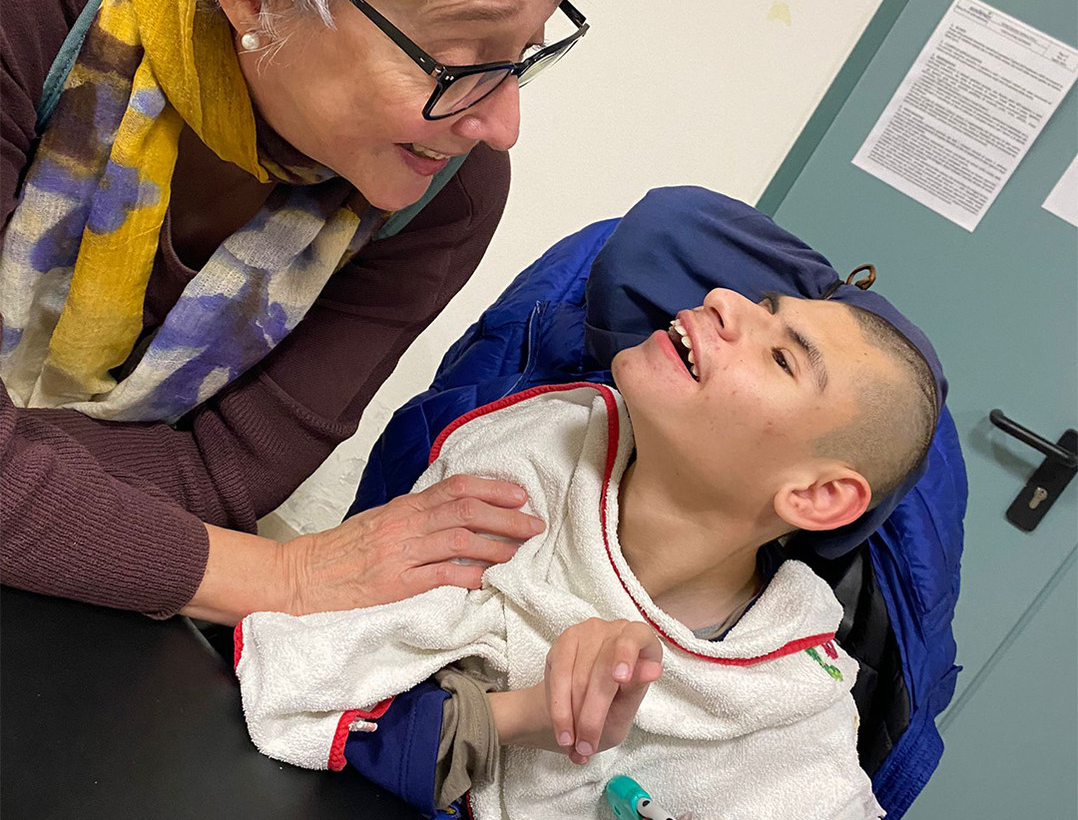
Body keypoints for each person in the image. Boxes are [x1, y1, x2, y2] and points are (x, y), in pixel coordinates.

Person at [0, 0, 601, 623]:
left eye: (526, 50)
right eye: (460, 52)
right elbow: (213, 515)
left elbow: (220, 476)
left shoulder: (444, 192)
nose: (500, 123)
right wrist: (284, 579)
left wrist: (24, 477)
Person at [236, 283, 940, 819]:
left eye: (782, 356)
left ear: (817, 498)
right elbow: (315, 675)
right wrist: (520, 717)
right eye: (758, 302)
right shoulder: (524, 466)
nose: (724, 300)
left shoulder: (793, 709)